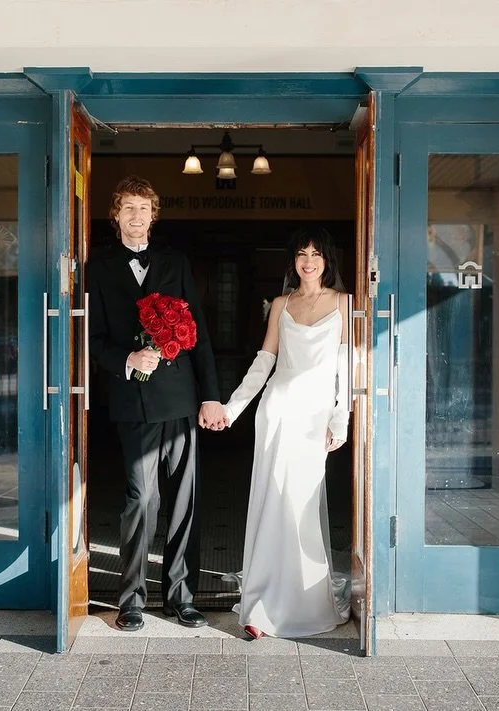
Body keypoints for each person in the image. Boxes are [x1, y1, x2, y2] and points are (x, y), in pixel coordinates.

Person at [87, 175, 225, 632]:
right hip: (132, 401)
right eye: (128, 208)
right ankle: (131, 600)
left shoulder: (175, 262)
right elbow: (92, 338)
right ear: (116, 215)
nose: (136, 216)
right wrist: (126, 358)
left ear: (153, 216)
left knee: (185, 500)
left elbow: (198, 331)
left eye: (144, 209)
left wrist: (209, 395)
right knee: (141, 499)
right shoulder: (99, 268)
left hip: (182, 398)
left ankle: (181, 597)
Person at [217, 227, 352, 639]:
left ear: (327, 260)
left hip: (314, 418)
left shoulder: (346, 303)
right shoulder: (280, 303)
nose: (308, 261)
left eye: (315, 254)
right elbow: (264, 362)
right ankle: (261, 605)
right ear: (293, 260)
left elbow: (348, 366)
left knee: (302, 505)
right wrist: (232, 408)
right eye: (300, 253)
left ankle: (302, 603)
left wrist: (340, 418)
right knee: (271, 500)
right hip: (276, 412)